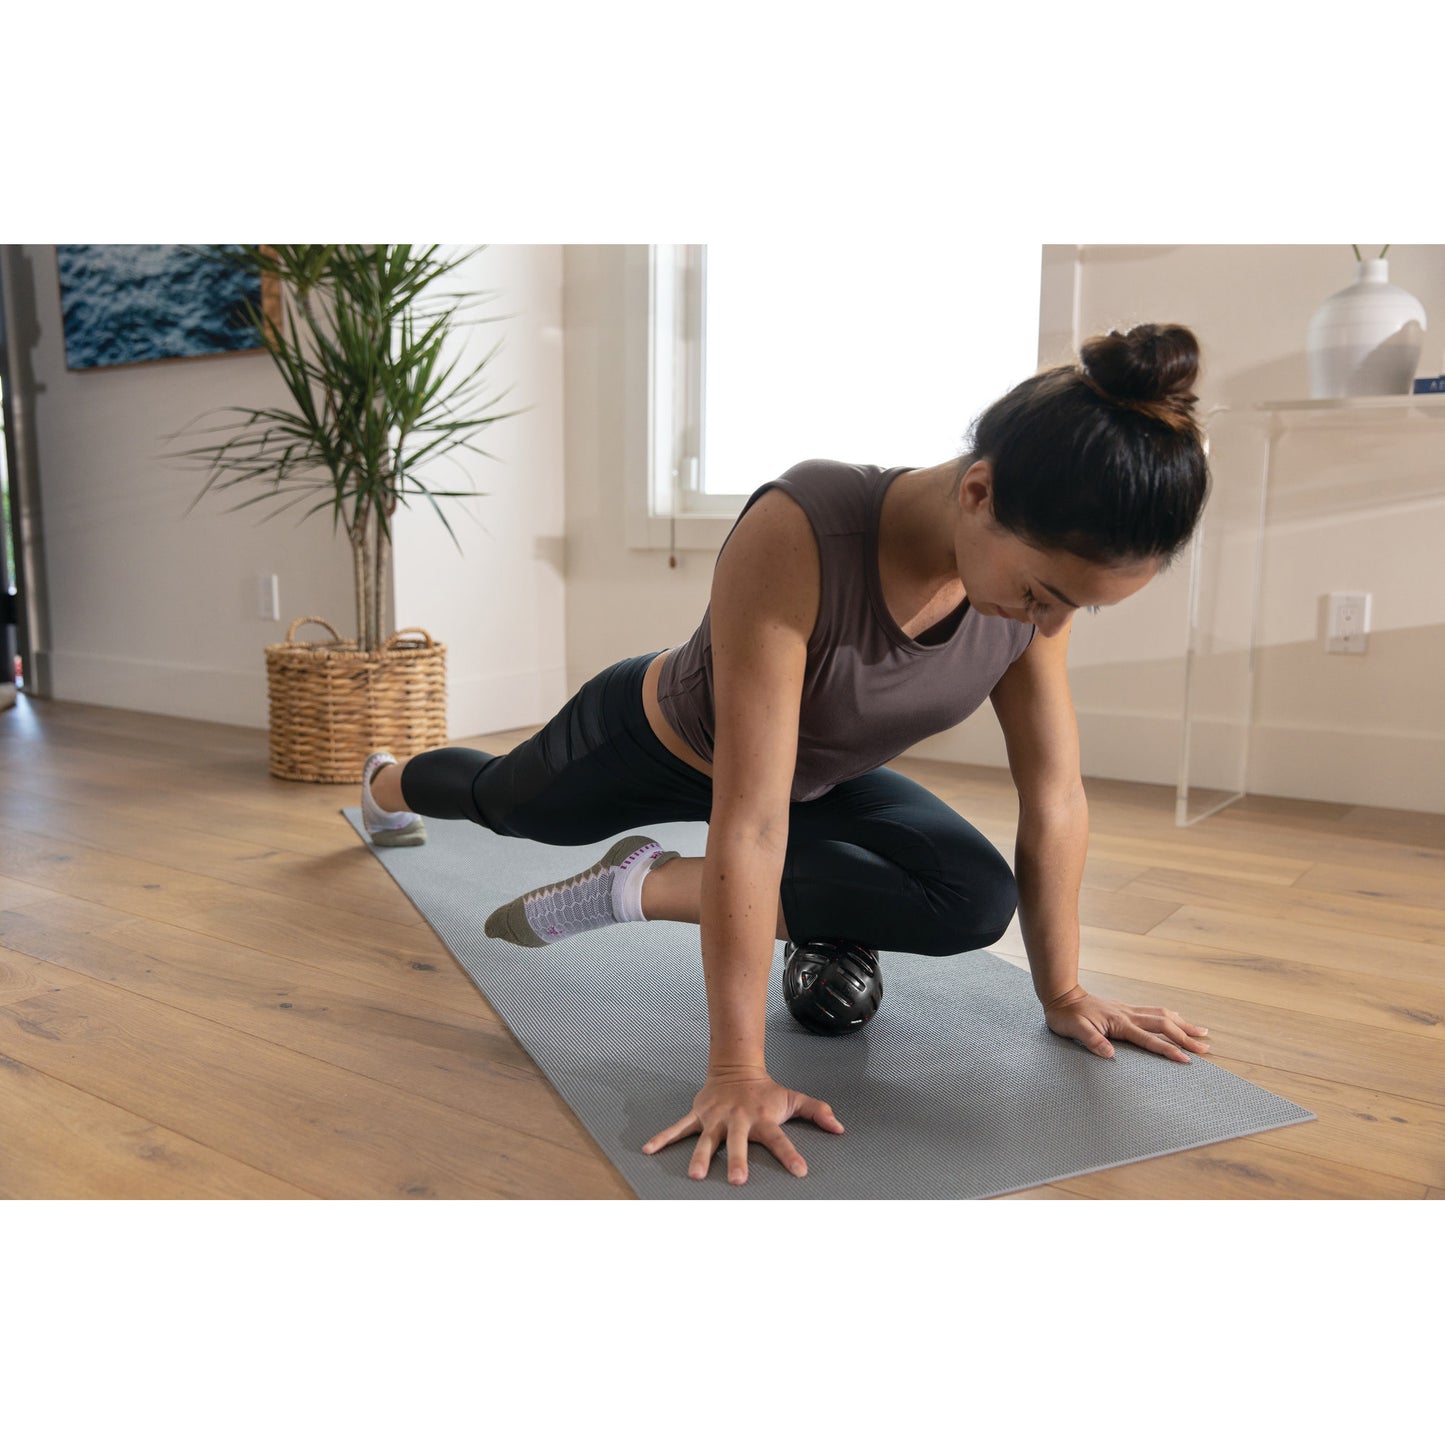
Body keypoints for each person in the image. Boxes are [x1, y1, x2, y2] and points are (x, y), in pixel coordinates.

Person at [360, 321, 1215, 1189]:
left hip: (823, 778)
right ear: (980, 493)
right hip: (658, 740)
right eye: (1042, 594)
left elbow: (1056, 796)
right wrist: (737, 1070)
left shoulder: (1028, 606)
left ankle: (643, 882)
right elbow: (752, 813)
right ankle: (386, 781)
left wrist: (1062, 993)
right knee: (506, 803)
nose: (1050, 624)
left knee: (971, 897)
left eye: (1076, 608)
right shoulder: (806, 527)